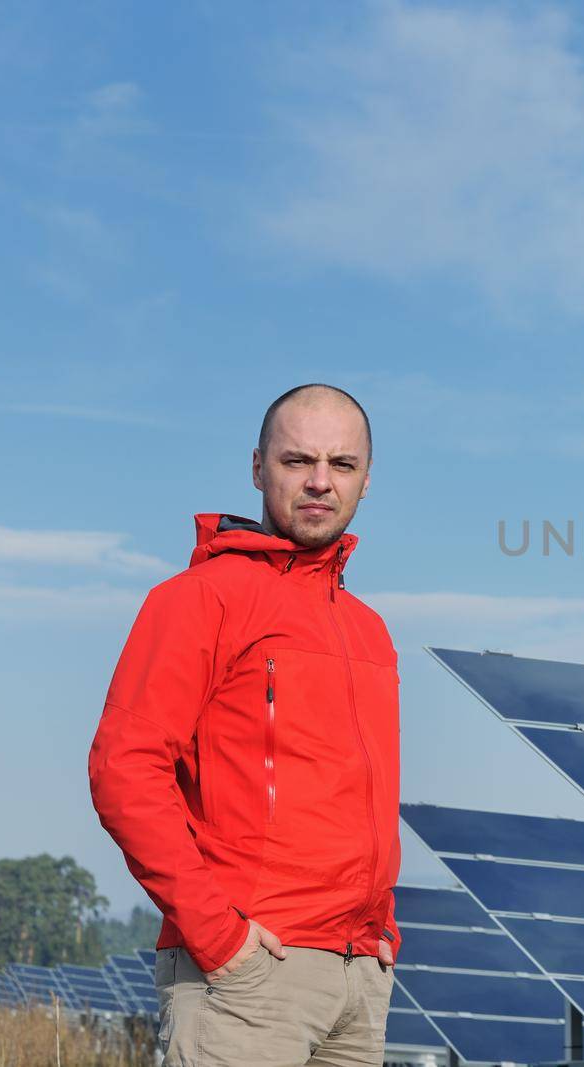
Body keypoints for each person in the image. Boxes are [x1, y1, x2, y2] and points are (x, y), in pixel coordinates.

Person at [88, 384, 402, 1066]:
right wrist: (219, 936)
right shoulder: (199, 598)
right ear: (258, 468)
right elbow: (124, 768)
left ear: (367, 479)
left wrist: (382, 935)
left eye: (342, 464)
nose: (320, 481)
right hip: (248, 979)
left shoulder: (369, 631)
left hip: (358, 980)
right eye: (298, 460)